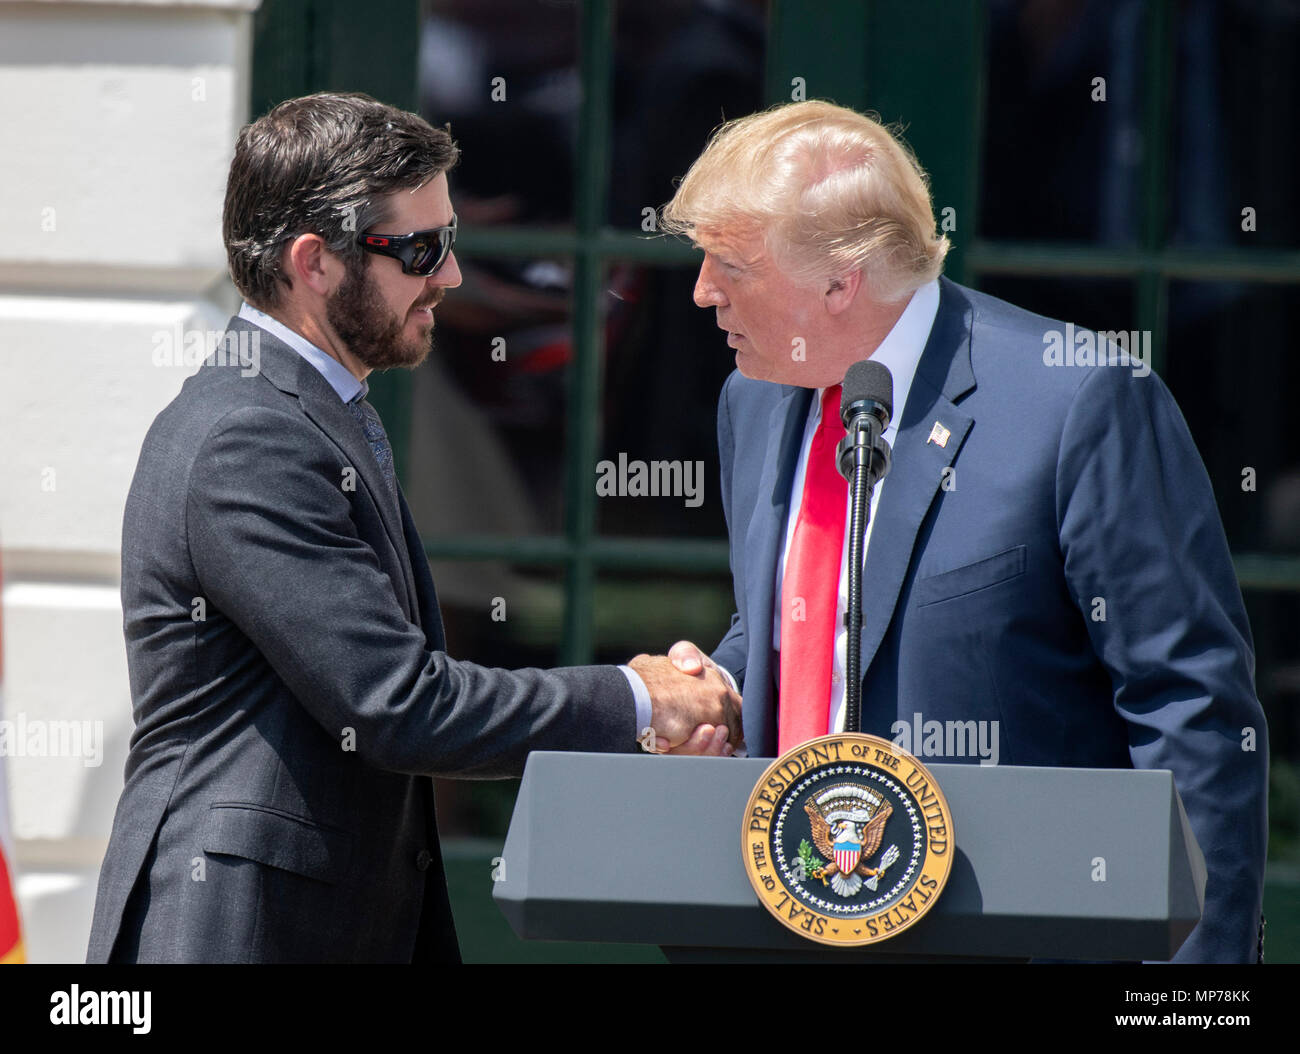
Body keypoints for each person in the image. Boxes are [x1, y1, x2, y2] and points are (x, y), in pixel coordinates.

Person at [86, 92, 741, 964]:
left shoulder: (309, 407)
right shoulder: (252, 436)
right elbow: (399, 704)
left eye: (451, 242)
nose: (452, 276)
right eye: (421, 249)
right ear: (314, 263)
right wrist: (640, 700)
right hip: (236, 932)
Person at [658, 100, 1268, 963]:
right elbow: (810, 622)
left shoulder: (1080, 402)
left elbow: (1190, 707)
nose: (702, 290)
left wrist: (1194, 998)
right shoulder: (753, 398)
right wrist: (712, 685)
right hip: (786, 922)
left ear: (843, 279)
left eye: (732, 264)